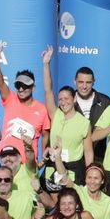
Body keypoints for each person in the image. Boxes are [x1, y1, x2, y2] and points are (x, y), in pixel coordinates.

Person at [0, 44, 50, 165]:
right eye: (18, 85)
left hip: (28, 163)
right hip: (7, 159)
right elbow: (0, 82)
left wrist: (42, 159)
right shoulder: (11, 98)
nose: (21, 89)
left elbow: (45, 136)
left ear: (33, 88)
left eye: (25, 86)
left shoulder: (42, 109)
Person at [41, 49, 93, 185]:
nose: (63, 102)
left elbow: (88, 152)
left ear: (74, 98)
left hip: (73, 168)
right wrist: (46, 64)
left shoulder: (84, 123)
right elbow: (48, 90)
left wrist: (91, 174)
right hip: (53, 165)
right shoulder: (56, 114)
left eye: (67, 98)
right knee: (53, 203)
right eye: (61, 99)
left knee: (70, 203)